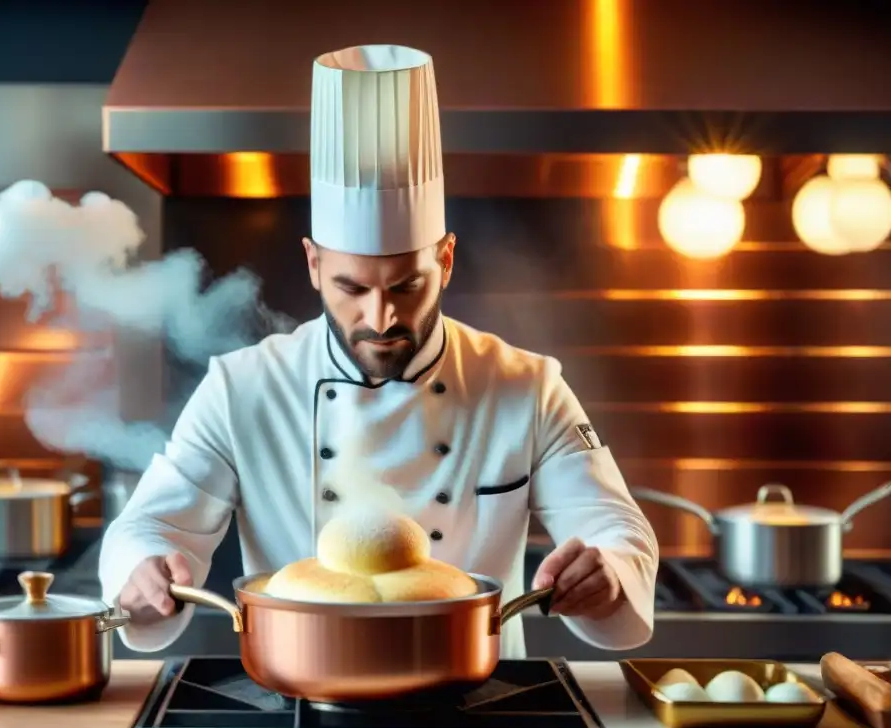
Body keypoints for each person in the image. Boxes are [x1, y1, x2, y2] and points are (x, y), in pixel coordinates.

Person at [99, 44, 659, 660]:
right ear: (313, 264)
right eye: (351, 288)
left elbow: (616, 527)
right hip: (302, 692)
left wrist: (607, 570)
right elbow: (148, 527)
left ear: (444, 260)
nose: (381, 317)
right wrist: (143, 569)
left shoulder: (527, 386)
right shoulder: (243, 387)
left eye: (406, 285)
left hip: (484, 700)